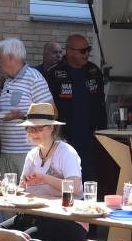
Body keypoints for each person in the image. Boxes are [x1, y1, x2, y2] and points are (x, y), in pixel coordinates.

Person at [14, 103, 87, 241]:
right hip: (39, 216)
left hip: (69, 220)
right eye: (29, 128)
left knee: (22, 239)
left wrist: (44, 178)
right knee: (0, 231)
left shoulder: (66, 152)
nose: (32, 132)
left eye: (38, 128)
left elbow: (75, 187)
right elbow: (21, 189)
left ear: (52, 128)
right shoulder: (32, 155)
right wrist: (5, 186)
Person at [43, 33, 108, 184]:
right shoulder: (54, 73)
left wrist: (102, 131)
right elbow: (47, 107)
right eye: (83, 51)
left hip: (89, 139)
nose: (87, 54)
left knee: (90, 180)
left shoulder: (94, 71)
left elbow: (100, 104)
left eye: (88, 50)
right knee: (64, 181)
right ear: (70, 51)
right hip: (63, 138)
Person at [0, 38, 52, 179]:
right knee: (7, 196)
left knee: (27, 195)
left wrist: (21, 116)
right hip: (7, 153)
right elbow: (5, 120)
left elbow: (52, 113)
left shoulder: (34, 78)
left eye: (0, 58)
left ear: (11, 57)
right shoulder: (8, 81)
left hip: (27, 152)